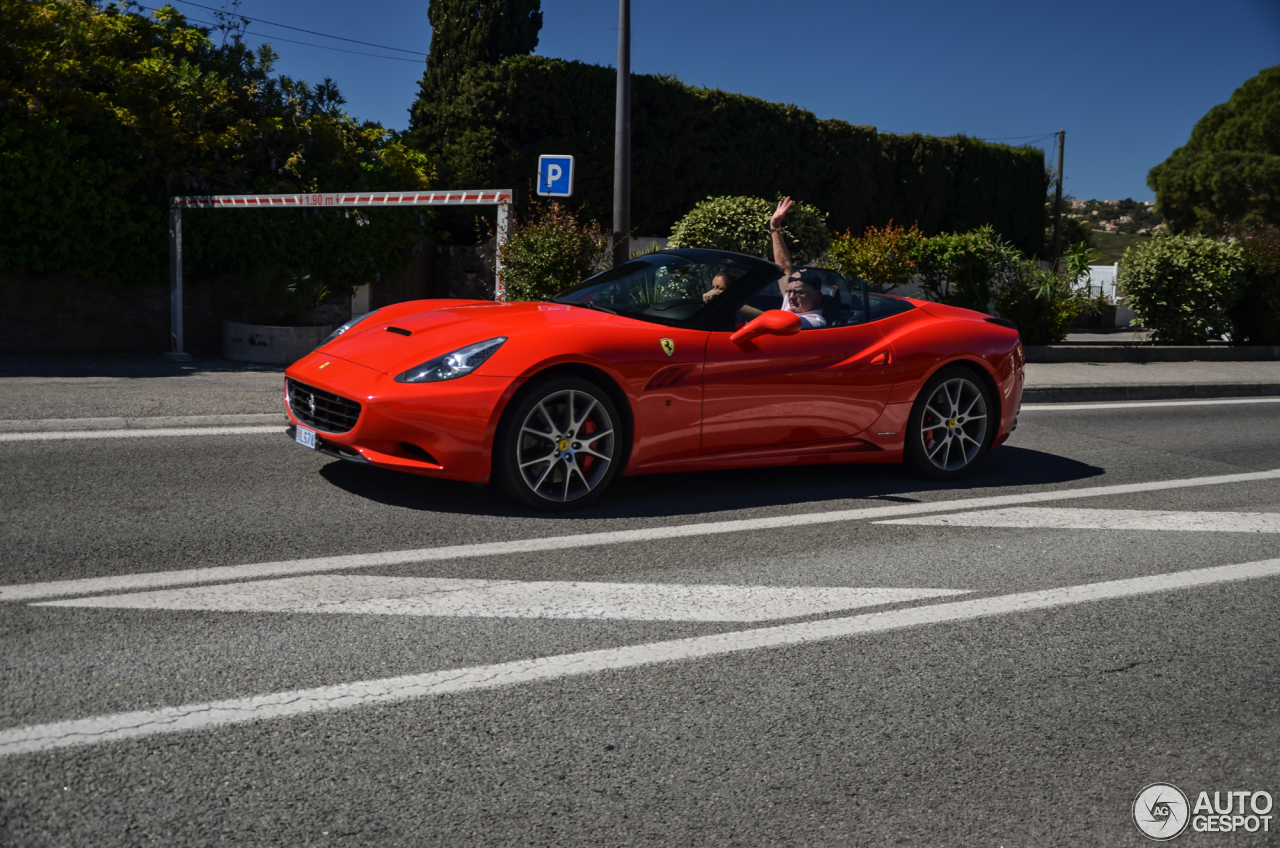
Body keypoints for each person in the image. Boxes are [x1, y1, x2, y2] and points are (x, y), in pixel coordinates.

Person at [769, 197, 826, 328]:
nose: (790, 298)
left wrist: (737, 306)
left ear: (815, 295)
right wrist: (774, 227)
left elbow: (780, 325)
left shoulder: (815, 321)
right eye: (789, 292)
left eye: (799, 292)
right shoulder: (793, 303)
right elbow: (783, 266)